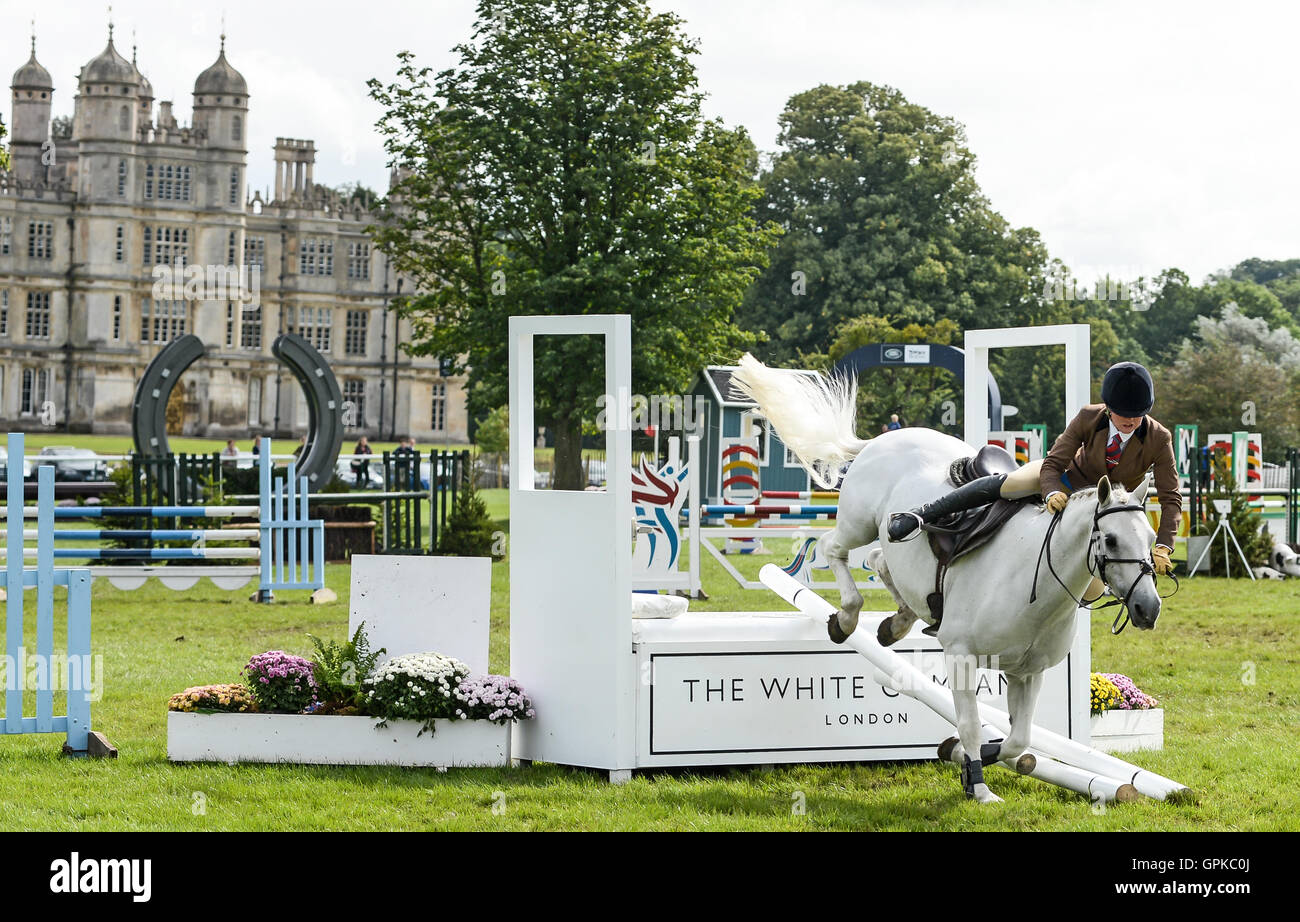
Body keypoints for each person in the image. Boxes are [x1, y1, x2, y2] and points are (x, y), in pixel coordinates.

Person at [886, 362, 1181, 580]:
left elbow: (1171, 498)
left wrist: (1164, 546)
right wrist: (1052, 491)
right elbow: (1053, 463)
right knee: (1012, 483)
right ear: (1107, 407)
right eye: (1123, 414)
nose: (1130, 421)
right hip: (1067, 481)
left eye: (1137, 415)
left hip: (1107, 508)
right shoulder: (1089, 417)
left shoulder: (1159, 438)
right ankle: (922, 514)